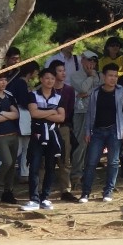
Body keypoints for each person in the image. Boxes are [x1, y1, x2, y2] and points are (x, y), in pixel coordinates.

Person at [81, 62, 123, 203]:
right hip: (97, 131)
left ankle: (108, 191)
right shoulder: (95, 92)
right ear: (103, 76)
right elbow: (89, 113)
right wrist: (87, 131)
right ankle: (85, 192)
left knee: (113, 162)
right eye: (110, 75)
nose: (113, 78)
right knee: (91, 162)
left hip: (114, 131)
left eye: (115, 76)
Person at [23, 66, 67, 212]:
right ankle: (33, 199)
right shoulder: (32, 95)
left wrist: (43, 113)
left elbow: (61, 117)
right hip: (37, 135)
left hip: (53, 136)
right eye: (47, 78)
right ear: (41, 79)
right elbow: (33, 113)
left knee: (50, 167)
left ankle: (45, 198)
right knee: (34, 166)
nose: (49, 81)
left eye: (52, 79)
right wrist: (52, 111)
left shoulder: (59, 96)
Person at [0, 69, 23, 203]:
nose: (3, 83)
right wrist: (7, 114)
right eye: (0, 80)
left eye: (5, 80)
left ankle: (8, 191)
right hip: (0, 135)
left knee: (12, 164)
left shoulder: (9, 96)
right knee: (7, 161)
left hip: (13, 134)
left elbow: (16, 114)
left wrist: (3, 113)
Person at [49, 58, 80, 202]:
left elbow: (71, 110)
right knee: (45, 159)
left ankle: (65, 190)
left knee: (65, 159)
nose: (63, 73)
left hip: (64, 127)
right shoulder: (45, 88)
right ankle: (40, 189)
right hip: (47, 126)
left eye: (64, 70)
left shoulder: (69, 90)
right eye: (60, 71)